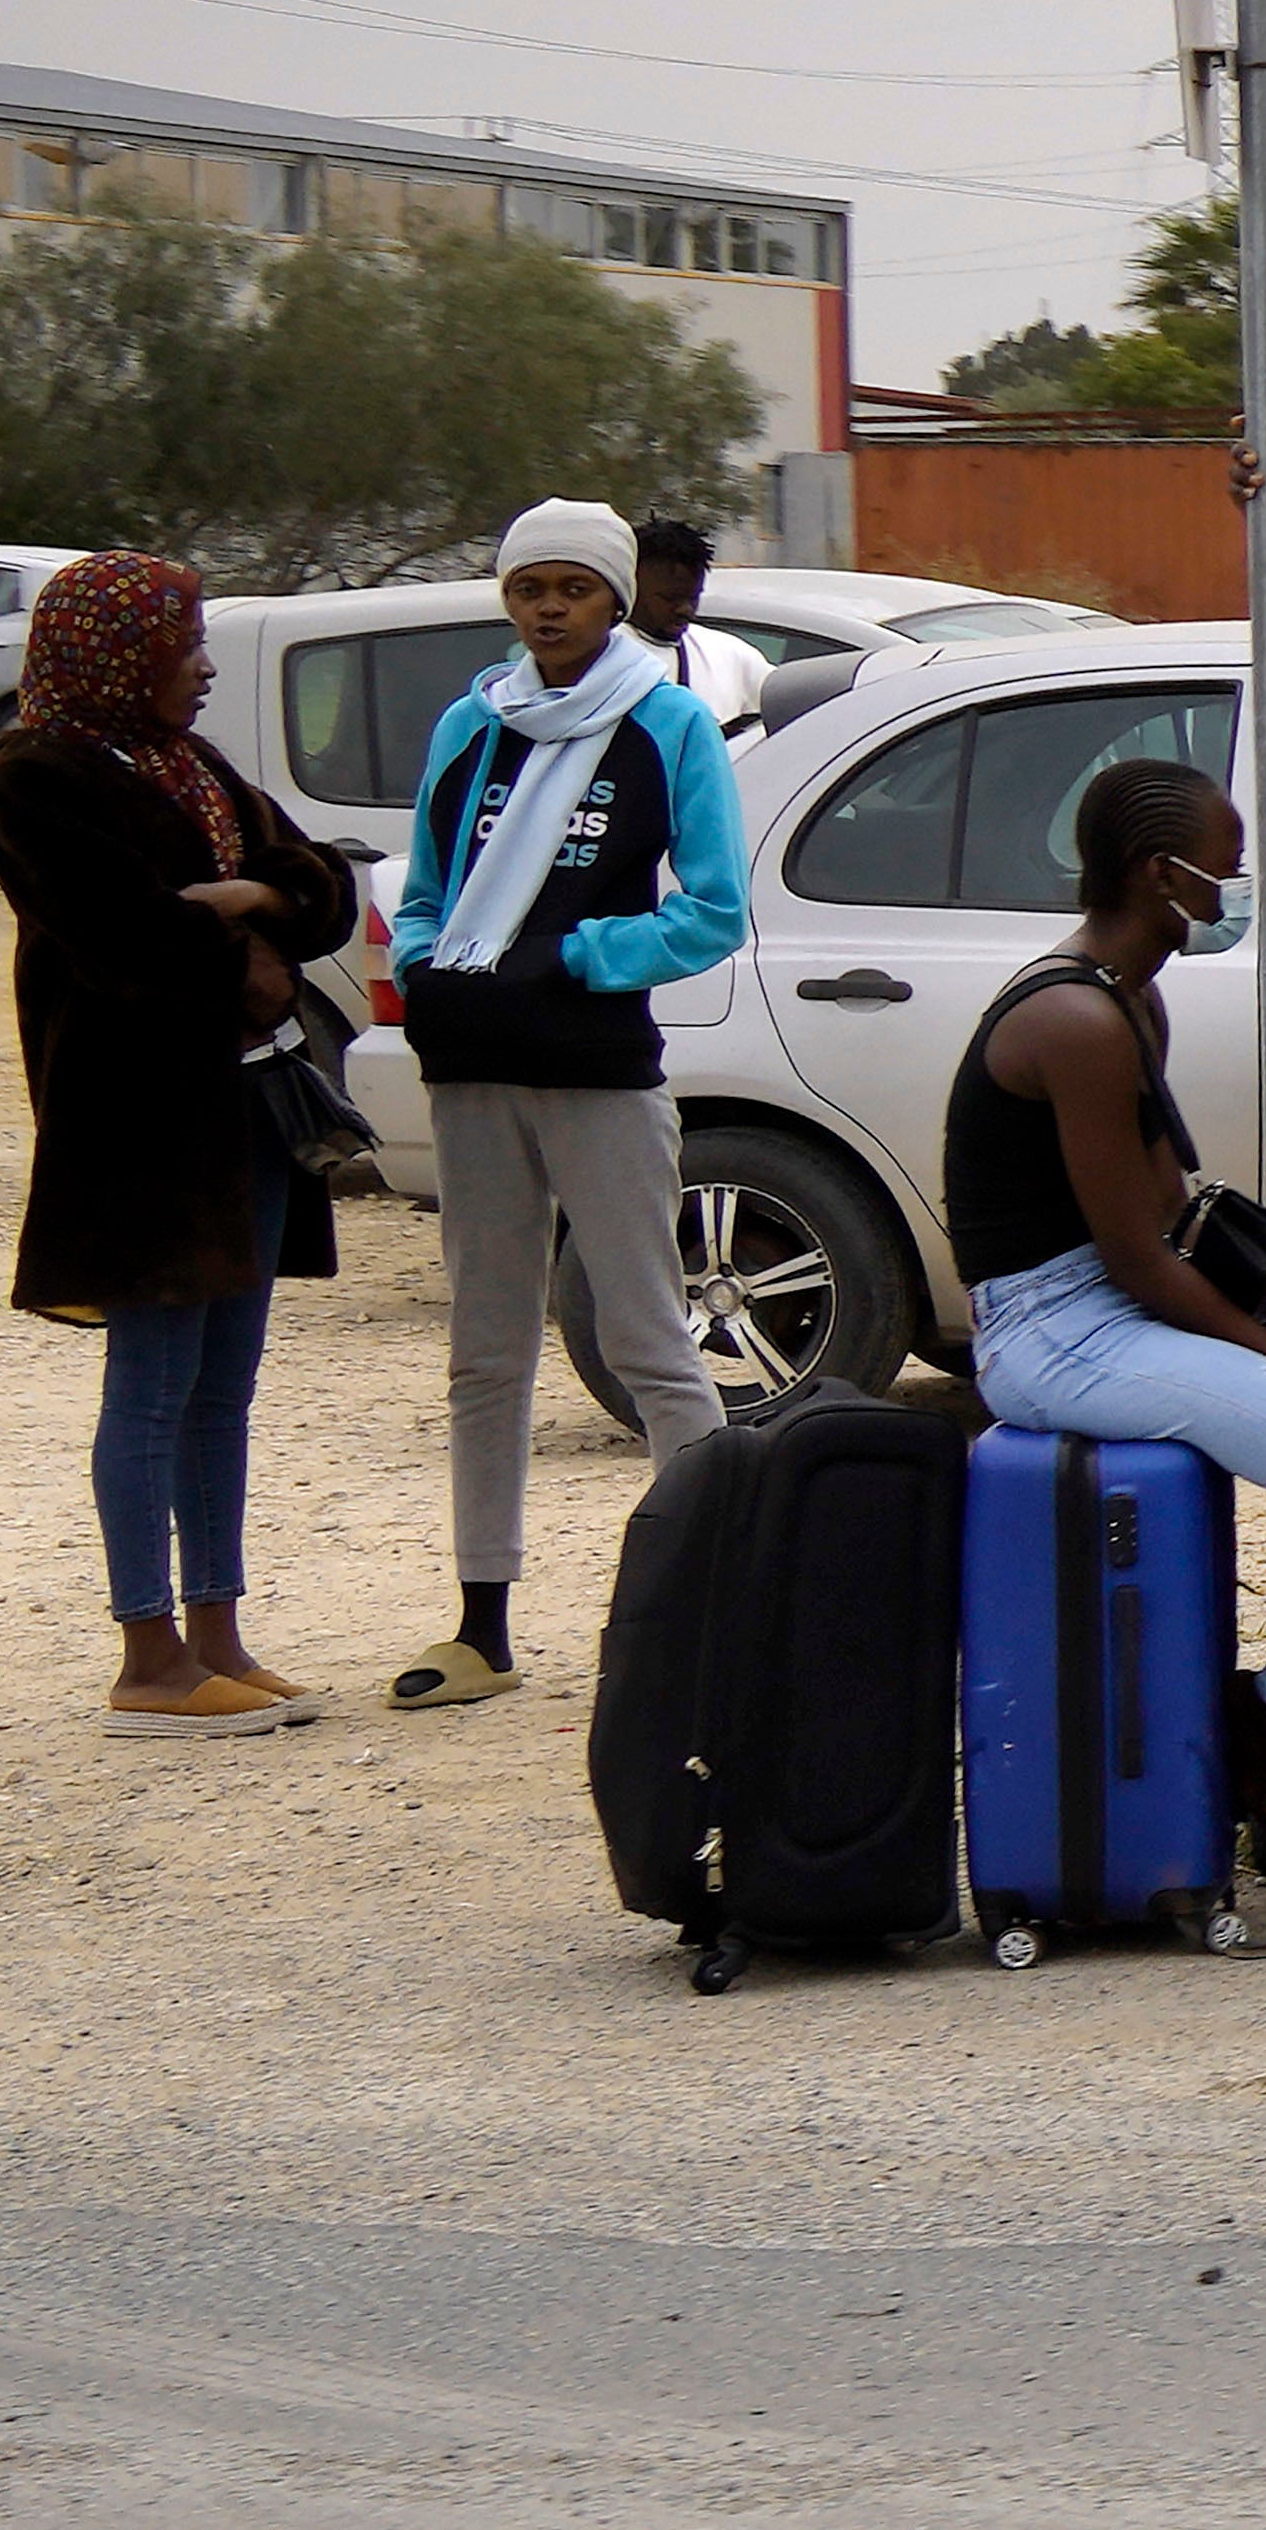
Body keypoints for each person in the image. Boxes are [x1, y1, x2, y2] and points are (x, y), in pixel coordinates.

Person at [949, 760, 1266, 1904]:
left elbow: (1170, 1209)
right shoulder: (1075, 1016)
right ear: (1153, 873)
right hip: (1052, 1329)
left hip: (1111, 1305)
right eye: (1216, 864)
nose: (1231, 881)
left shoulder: (1133, 996)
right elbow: (1137, 1259)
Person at [382, 500, 750, 1711]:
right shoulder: (470, 724)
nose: (549, 606)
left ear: (611, 597)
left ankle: (709, 1606)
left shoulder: (667, 722)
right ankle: (481, 1623)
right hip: (479, 1068)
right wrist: (437, 969)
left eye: (573, 587)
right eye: (528, 585)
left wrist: (579, 955)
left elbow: (711, 910)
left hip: (598, 1070)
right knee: (486, 1350)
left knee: (650, 1340)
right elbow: (427, 883)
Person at [0, 554, 354, 1737]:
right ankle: (147, 1657)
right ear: (112, 653)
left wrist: (241, 903)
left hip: (240, 1115)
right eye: (179, 645)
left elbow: (325, 886)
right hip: (134, 1130)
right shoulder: (38, 777)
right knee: (151, 1383)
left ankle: (217, 1634)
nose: (199, 666)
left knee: (223, 1387)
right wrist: (244, 921)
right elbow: (129, 942)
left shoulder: (186, 764)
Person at [625, 519, 773, 737]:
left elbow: (786, 709)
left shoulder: (729, 654)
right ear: (630, 586)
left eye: (693, 597)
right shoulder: (595, 655)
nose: (685, 609)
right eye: (670, 598)